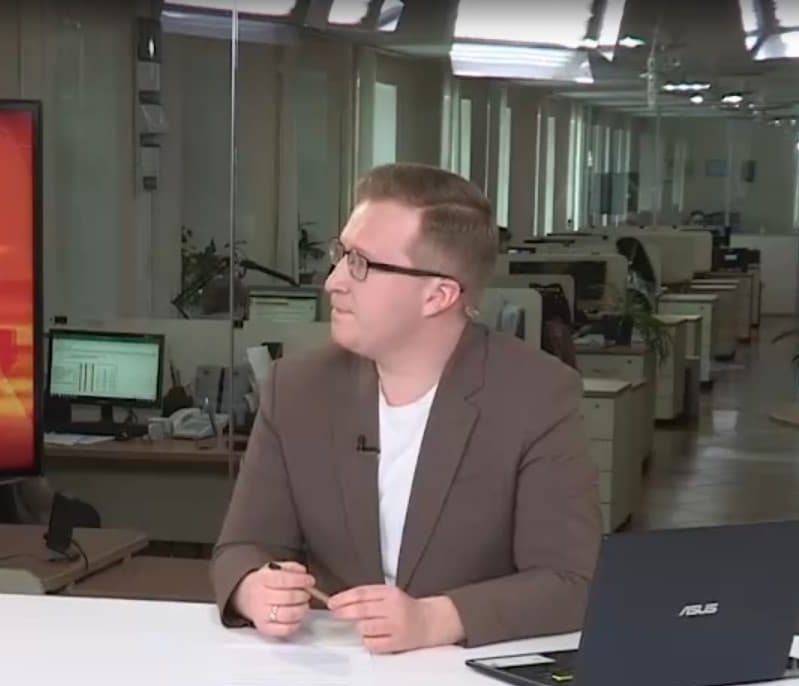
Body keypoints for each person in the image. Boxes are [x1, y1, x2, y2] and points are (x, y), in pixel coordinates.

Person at [210, 163, 602, 653]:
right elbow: (242, 546)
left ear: (438, 295)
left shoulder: (536, 394)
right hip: (335, 667)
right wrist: (253, 587)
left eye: (361, 264)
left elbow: (572, 581)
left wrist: (436, 619)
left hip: (465, 677)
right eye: (340, 255)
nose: (333, 282)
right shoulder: (297, 389)